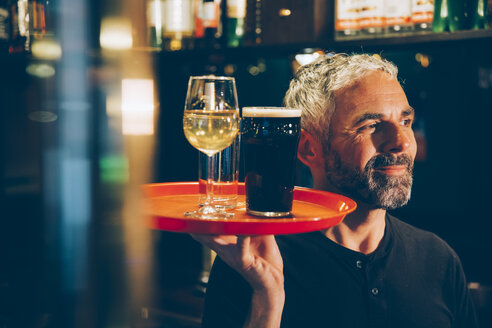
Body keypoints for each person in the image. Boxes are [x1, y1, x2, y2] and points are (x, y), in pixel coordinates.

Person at [191, 53, 478, 328]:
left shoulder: (437, 260)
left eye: (405, 122)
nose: (401, 143)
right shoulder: (253, 261)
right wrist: (268, 298)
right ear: (308, 149)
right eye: (371, 125)